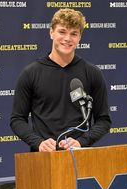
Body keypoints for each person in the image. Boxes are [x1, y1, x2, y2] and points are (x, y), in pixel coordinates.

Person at [10, 8, 111, 152]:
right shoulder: (30, 73)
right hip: (43, 159)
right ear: (51, 32)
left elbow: (104, 120)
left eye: (74, 34)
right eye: (62, 32)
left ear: (80, 37)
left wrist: (81, 142)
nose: (67, 39)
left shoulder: (92, 73)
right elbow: (17, 119)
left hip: (79, 158)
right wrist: (38, 143)